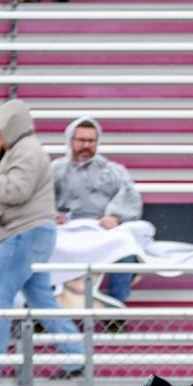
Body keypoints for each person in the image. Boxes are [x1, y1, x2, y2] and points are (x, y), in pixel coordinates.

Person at [0, 99, 81, 380]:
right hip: (30, 232)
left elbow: (16, 191)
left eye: (1, 128)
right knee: (42, 301)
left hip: (21, 234)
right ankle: (77, 356)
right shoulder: (26, 149)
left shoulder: (25, 151)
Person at [53, 117, 145, 304]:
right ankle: (43, 312)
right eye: (81, 140)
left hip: (101, 230)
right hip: (65, 231)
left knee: (124, 245)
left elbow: (129, 196)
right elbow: (40, 198)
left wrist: (116, 217)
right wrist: (50, 214)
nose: (86, 145)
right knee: (39, 244)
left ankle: (115, 308)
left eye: (91, 141)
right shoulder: (55, 169)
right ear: (70, 141)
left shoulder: (111, 170)